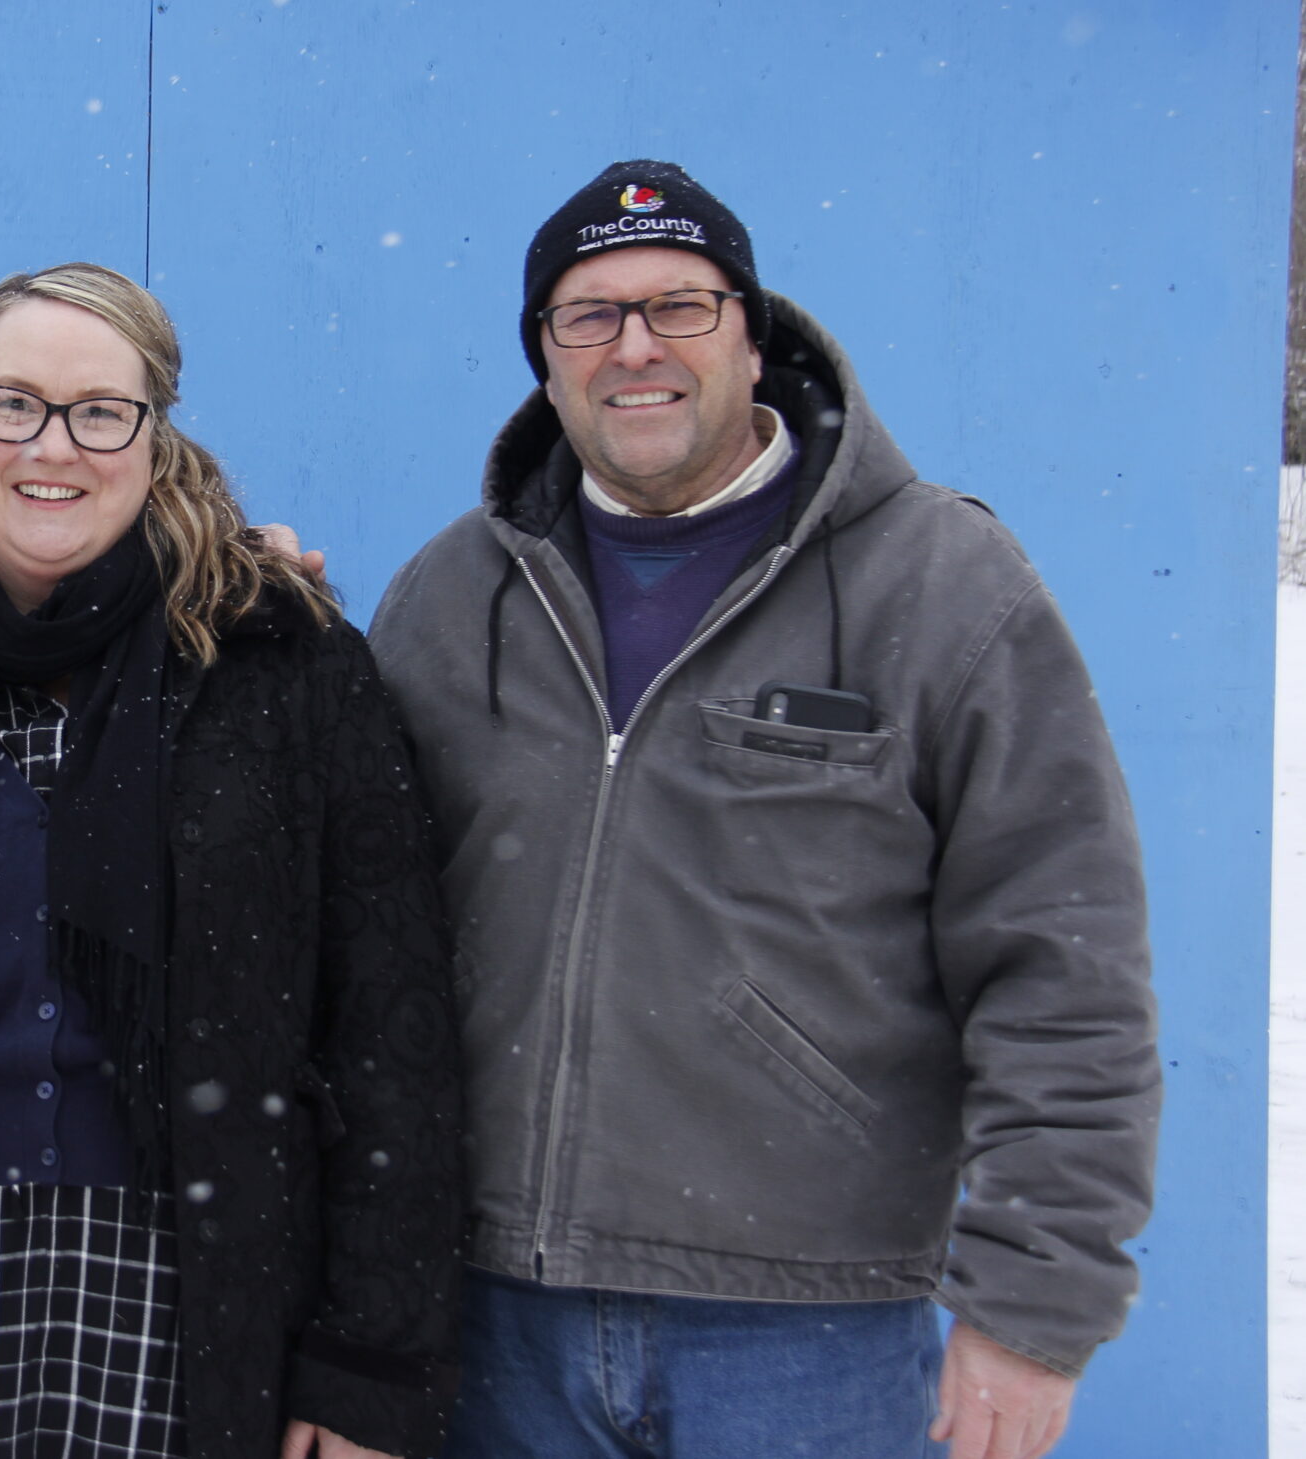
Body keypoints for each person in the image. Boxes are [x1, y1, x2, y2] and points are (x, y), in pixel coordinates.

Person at [369, 160, 1160, 1459]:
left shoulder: (942, 587)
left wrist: (1036, 1296)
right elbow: (353, 908)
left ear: (751, 326)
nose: (635, 347)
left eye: (677, 304)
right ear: (547, 357)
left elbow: (1064, 962)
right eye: (589, 315)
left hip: (806, 1326)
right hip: (494, 1304)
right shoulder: (456, 595)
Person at [0, 263, 461, 1459]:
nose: (54, 444)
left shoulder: (284, 666)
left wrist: (370, 1362)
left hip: (201, 1295)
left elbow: (389, 1030)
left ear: (155, 438)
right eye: (12, 402)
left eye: (102, 410)